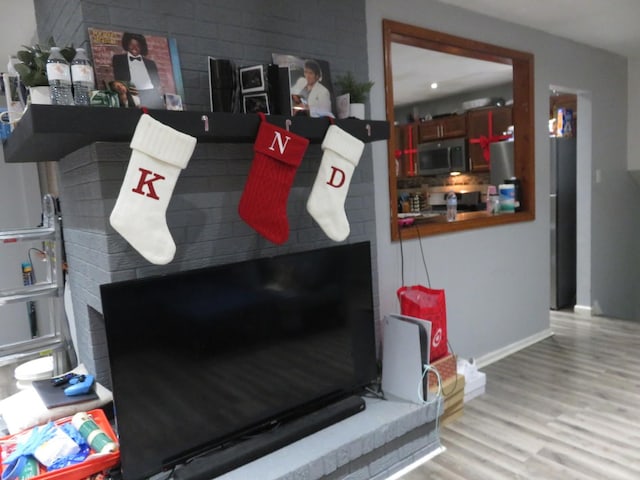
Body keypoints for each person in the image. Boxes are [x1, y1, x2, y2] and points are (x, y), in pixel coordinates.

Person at [112, 32, 164, 109]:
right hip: (130, 94)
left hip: (151, 95)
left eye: (138, 45)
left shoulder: (151, 63)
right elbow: (118, 79)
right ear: (127, 45)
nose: (134, 47)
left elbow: (157, 83)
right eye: (131, 44)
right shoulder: (118, 59)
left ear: (142, 47)